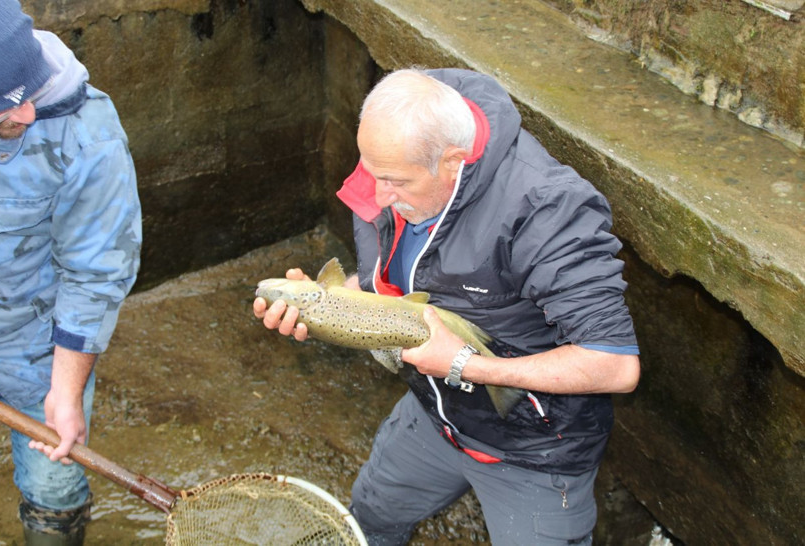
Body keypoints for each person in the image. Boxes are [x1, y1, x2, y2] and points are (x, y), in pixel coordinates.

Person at [254, 67, 640, 545]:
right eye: (371, 174)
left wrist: (464, 364)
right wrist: (326, 304)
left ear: (454, 162)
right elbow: (390, 281)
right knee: (368, 519)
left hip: (534, 451)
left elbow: (615, 364)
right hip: (433, 415)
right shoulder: (393, 165)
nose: (378, 197)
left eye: (395, 183)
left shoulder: (545, 210)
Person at [0, 1, 142, 543]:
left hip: (36, 345)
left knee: (54, 489)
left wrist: (66, 390)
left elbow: (96, 273)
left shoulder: (86, 134)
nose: (26, 114)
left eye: (28, 94)